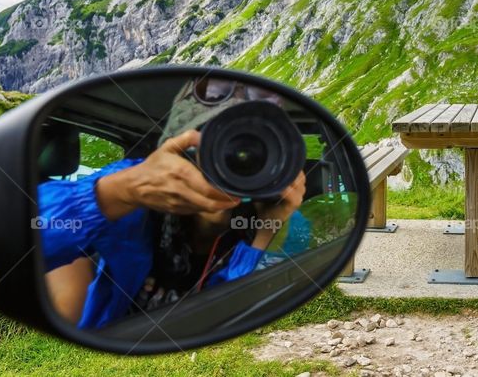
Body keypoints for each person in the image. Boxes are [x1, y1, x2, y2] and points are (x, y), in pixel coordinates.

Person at [39, 128, 308, 329]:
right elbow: (24, 230)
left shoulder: (269, 218)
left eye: (248, 162)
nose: (228, 169)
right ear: (185, 154)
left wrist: (266, 229)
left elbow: (221, 316)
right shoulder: (141, 194)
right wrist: (118, 192)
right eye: (216, 150)